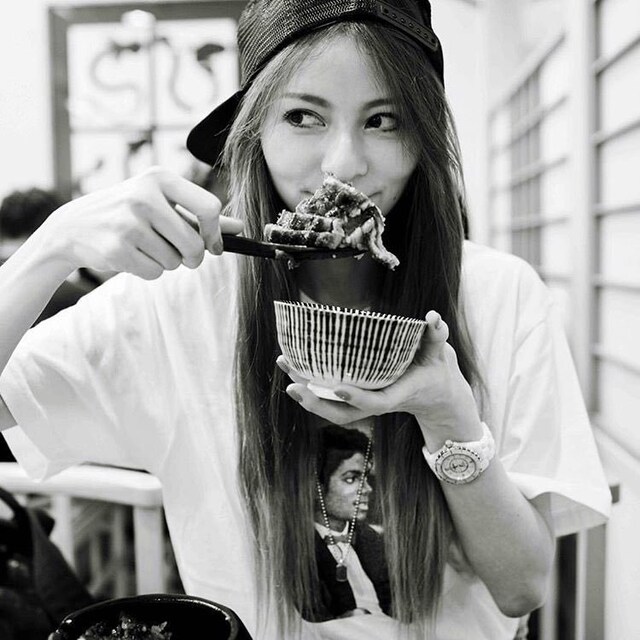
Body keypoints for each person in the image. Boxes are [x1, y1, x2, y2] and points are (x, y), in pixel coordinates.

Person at [0, 1, 611, 638]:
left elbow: (522, 587)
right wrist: (53, 246)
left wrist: (448, 417)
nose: (343, 165)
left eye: (383, 120)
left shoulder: (500, 294)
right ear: (255, 130)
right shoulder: (175, 302)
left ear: (423, 138)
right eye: (302, 117)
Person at [310, 424, 391, 622]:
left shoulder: (374, 541)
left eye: (365, 478)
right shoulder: (298, 550)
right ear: (316, 487)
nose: (367, 489)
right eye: (351, 479)